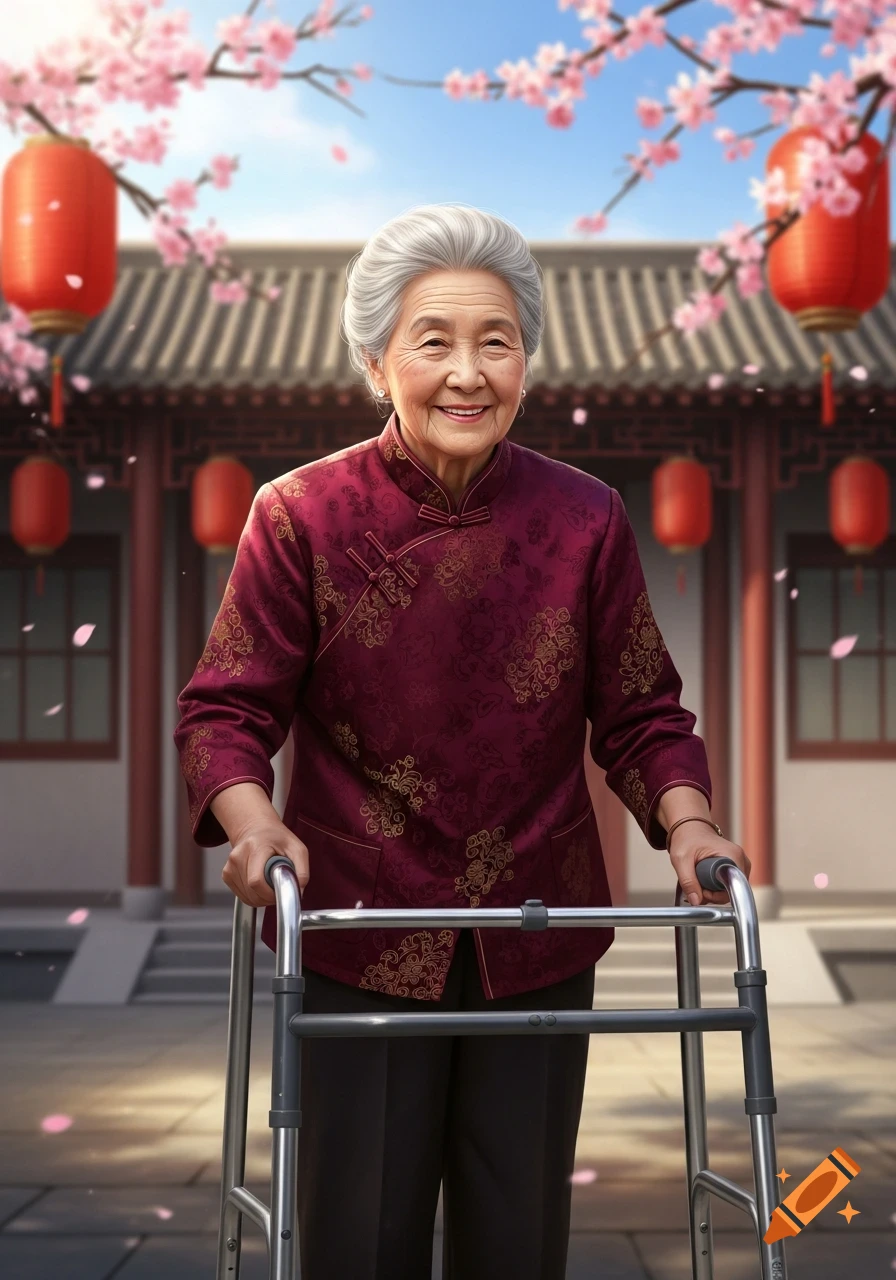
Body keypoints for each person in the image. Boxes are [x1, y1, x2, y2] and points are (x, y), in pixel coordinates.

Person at [174, 202, 750, 1280]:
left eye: (496, 341)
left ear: (525, 363)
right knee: (359, 1236)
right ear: (375, 362)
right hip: (356, 916)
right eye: (432, 340)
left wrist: (690, 824)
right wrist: (253, 826)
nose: (466, 372)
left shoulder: (583, 516)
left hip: (536, 922)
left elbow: (639, 710)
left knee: (516, 1235)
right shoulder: (298, 513)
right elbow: (226, 705)